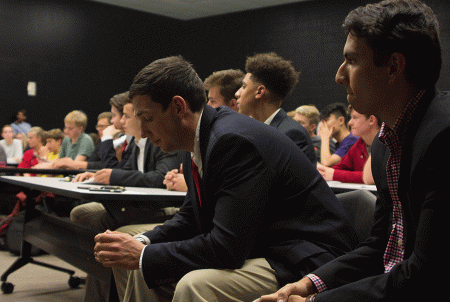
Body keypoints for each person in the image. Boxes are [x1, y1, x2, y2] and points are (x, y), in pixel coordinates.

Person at [94, 56, 357, 302]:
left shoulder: (232, 141)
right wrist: (142, 243)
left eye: (147, 118)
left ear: (178, 107)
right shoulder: (198, 139)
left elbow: (227, 248)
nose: (141, 131)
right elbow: (190, 217)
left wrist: (145, 255)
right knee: (140, 267)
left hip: (305, 256)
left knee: (194, 285)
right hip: (267, 245)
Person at [257, 1, 448, 301]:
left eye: (352, 61)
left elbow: (426, 275)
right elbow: (380, 247)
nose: (339, 75)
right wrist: (309, 284)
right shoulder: (387, 144)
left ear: (394, 67)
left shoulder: (443, 139)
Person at [70, 98, 183, 302]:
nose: (121, 122)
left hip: (163, 208)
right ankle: (101, 287)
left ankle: (107, 285)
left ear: (142, 120)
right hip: (138, 205)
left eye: (126, 116)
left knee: (111, 236)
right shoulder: (135, 144)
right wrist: (97, 175)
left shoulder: (162, 142)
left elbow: (160, 178)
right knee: (86, 218)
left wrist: (112, 173)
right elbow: (122, 171)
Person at [164, 69, 245, 192]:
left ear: (233, 105)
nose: (207, 107)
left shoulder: (233, 141)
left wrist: (191, 186)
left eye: (213, 101)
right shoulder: (201, 137)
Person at [235, 52, 316, 164]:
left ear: (259, 92)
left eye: (244, 86)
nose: (237, 93)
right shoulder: (252, 129)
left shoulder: (291, 134)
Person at [317, 105, 381, 183]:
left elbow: (374, 177)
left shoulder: (387, 144)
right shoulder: (359, 144)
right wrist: (322, 170)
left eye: (355, 118)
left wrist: (334, 174)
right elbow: (336, 168)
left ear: (371, 120)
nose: (350, 123)